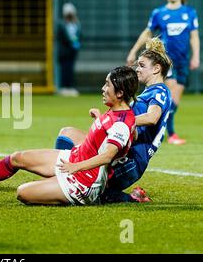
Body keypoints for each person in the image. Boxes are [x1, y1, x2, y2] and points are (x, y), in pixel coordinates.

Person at [0, 66, 138, 206]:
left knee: (22, 193)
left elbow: (107, 156)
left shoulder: (122, 123)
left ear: (120, 93)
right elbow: (111, 137)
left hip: (84, 183)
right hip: (73, 158)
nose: (103, 88)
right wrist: (99, 118)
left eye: (108, 85)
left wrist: (75, 167)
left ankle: (76, 192)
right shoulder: (115, 112)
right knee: (18, 157)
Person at [55, 38, 172, 203]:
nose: (137, 69)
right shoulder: (148, 93)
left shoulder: (160, 91)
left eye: (142, 65)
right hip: (123, 152)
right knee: (67, 134)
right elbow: (130, 130)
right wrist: (104, 121)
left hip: (131, 162)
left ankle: (132, 199)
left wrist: (120, 123)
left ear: (157, 69)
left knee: (98, 193)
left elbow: (152, 118)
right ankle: (61, 176)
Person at [126, 0, 200, 145]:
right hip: (168, 61)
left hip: (183, 61)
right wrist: (133, 51)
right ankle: (170, 133)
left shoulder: (190, 12)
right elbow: (147, 33)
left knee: (175, 101)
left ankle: (160, 127)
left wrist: (196, 56)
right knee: (170, 93)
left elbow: (194, 36)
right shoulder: (159, 13)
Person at [56, 2, 81, 97]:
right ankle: (64, 87)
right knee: (64, 69)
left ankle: (70, 87)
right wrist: (71, 41)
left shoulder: (77, 24)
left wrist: (75, 43)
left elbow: (78, 35)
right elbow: (62, 37)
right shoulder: (62, 24)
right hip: (64, 51)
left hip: (72, 51)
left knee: (70, 69)